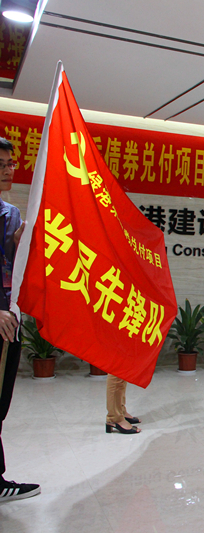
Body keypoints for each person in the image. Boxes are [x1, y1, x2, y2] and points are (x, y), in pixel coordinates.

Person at [0, 137, 39, 502]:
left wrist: (17, 244)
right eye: (0, 164)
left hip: (9, 321)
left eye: (10, 163)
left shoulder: (10, 213)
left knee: (0, 403)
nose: (8, 170)